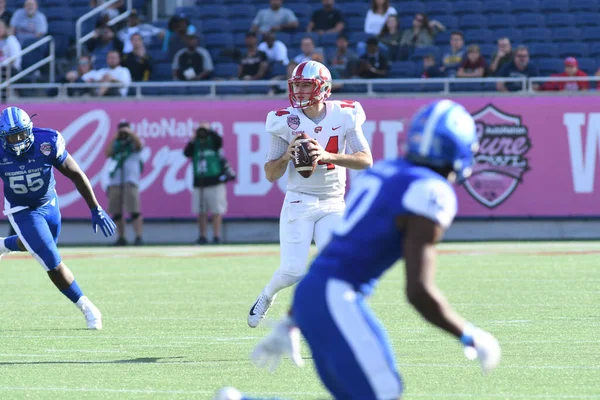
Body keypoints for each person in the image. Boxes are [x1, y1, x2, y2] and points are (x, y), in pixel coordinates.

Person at [247, 99, 501, 400]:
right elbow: (418, 291)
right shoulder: (432, 191)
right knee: (385, 392)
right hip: (335, 297)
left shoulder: (387, 169)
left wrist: (294, 316)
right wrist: (468, 334)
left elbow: (334, 255)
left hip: (313, 295)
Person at [247, 60, 373, 328]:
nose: (301, 91)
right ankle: (267, 295)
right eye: (298, 85)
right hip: (298, 200)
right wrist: (286, 156)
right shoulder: (284, 120)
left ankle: (331, 321)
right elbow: (271, 173)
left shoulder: (344, 114)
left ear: (324, 88)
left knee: (336, 267)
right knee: (293, 270)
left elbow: (365, 160)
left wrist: (328, 155)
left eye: (307, 85)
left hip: (333, 202)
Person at [0, 106, 116, 330]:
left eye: (21, 134)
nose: (17, 141)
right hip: (21, 209)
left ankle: (5, 244)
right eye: (11, 136)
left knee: (42, 244)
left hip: (49, 203)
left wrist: (95, 207)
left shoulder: (48, 141)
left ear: (30, 130)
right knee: (51, 259)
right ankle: (87, 307)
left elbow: (75, 173)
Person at [184, 124, 235, 245]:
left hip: (215, 182)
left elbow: (219, 140)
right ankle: (202, 236)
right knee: (201, 211)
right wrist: (193, 137)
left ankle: (217, 236)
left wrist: (208, 129)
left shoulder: (213, 143)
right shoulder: (196, 145)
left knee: (217, 211)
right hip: (200, 182)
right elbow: (186, 152)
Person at [104, 120, 144, 246]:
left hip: (130, 180)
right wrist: (116, 137)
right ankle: (121, 237)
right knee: (116, 211)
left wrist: (130, 134)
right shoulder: (116, 144)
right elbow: (107, 153)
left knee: (134, 210)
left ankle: (138, 236)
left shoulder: (133, 143)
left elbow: (140, 145)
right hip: (115, 180)